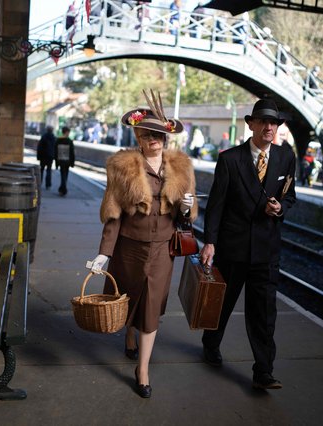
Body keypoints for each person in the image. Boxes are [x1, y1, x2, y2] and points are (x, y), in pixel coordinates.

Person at [87, 92, 198, 398]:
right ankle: (129, 337)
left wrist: (187, 206)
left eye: (159, 134)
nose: (154, 140)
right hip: (128, 249)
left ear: (166, 137)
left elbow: (185, 216)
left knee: (151, 306)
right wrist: (102, 253)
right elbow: (113, 215)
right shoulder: (123, 168)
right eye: (148, 134)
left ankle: (143, 369)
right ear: (138, 136)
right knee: (128, 298)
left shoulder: (181, 168)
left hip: (162, 250)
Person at [199, 98, 296, 390]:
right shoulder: (230, 159)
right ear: (251, 124)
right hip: (233, 247)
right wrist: (210, 242)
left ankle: (263, 370)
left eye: (274, 123)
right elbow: (216, 205)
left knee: (264, 312)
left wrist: (280, 208)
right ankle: (210, 343)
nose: (269, 127)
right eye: (264, 122)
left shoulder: (285, 157)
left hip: (267, 251)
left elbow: (291, 197)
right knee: (223, 304)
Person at [55, 126, 75, 196]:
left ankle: (62, 188)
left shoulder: (58, 140)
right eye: (68, 132)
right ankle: (63, 189)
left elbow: (56, 152)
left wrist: (56, 163)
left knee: (62, 175)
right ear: (66, 132)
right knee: (65, 175)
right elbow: (72, 153)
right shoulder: (69, 141)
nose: (69, 133)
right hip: (67, 161)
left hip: (60, 161)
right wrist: (72, 163)